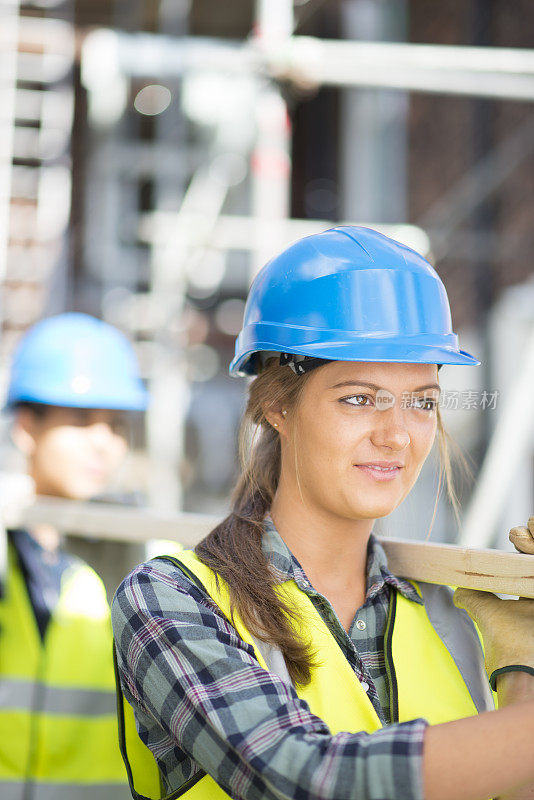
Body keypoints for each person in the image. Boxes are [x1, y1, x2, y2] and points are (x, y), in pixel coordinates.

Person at [112, 227, 534, 800]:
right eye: (359, 398)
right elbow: (299, 777)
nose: (397, 435)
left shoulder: (463, 609)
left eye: (422, 401)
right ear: (276, 405)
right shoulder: (168, 600)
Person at [0, 312, 154, 799]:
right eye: (82, 420)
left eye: (115, 425)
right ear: (27, 426)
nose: (104, 443)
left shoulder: (151, 560)